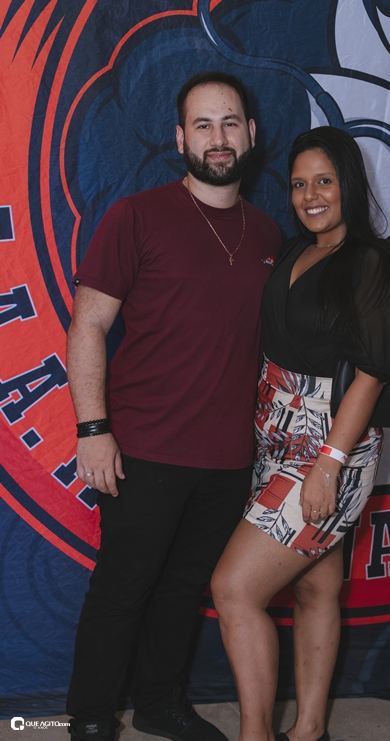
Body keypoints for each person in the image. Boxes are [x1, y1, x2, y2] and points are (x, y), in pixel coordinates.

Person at [65, 71, 281, 741]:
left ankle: (160, 704)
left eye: (230, 123)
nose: (218, 138)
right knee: (123, 587)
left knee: (183, 591)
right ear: (180, 137)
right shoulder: (137, 216)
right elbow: (88, 324)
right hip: (143, 448)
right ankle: (90, 717)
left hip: (228, 457)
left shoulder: (269, 233)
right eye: (203, 125)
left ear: (251, 133)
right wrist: (93, 428)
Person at [210, 126, 390, 741]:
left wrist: (329, 463)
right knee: (316, 587)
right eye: (299, 185)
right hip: (274, 433)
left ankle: (255, 735)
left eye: (324, 181)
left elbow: (373, 371)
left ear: (349, 183)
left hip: (329, 441)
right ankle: (310, 731)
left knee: (234, 588)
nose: (310, 196)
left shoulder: (373, 262)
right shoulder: (295, 250)